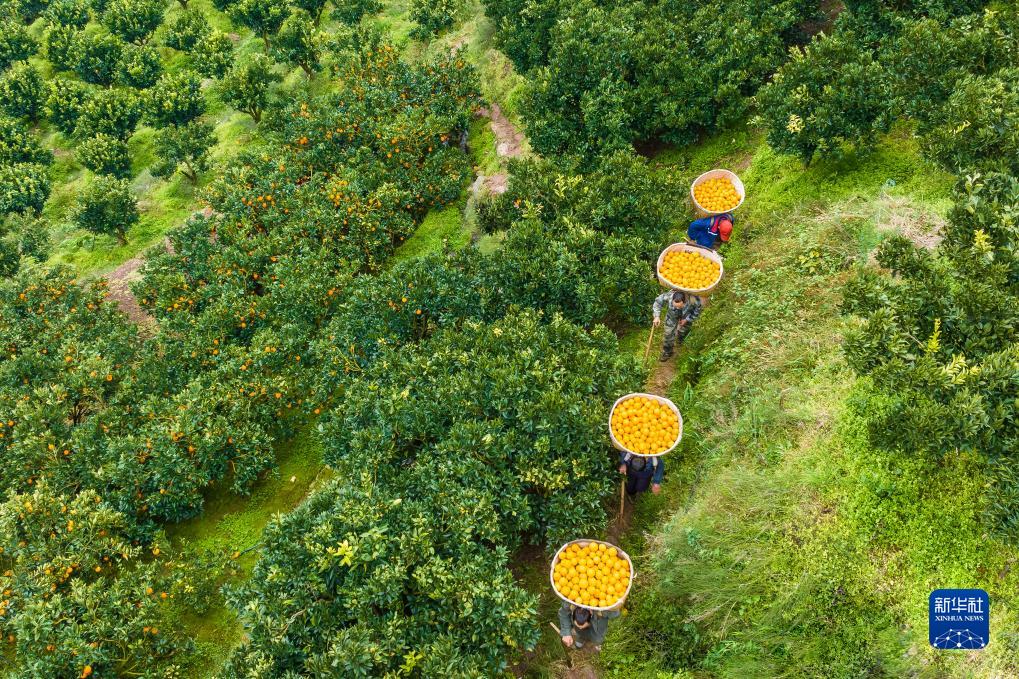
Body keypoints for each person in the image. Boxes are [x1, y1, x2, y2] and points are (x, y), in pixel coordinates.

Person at [652, 289, 703, 361]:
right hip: (672, 316)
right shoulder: (668, 296)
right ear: (672, 300)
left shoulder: (693, 299)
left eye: (679, 307)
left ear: (684, 301)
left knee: (683, 331)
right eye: (675, 306)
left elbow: (698, 309)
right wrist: (657, 316)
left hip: (686, 315)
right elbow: (657, 302)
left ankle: (680, 340)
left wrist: (687, 319)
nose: (677, 308)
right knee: (668, 333)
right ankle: (667, 351)